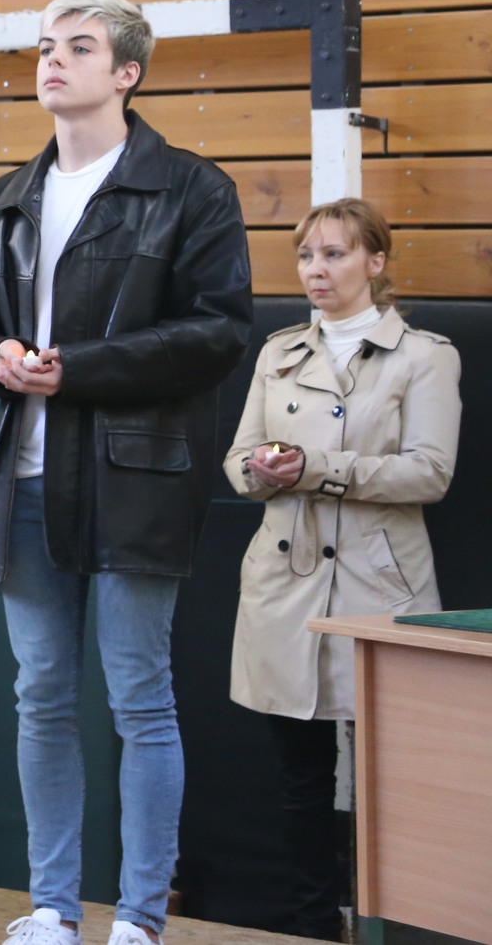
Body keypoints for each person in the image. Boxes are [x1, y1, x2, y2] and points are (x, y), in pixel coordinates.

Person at [0, 0, 254, 945]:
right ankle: (52, 907)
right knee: (41, 697)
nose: (52, 61)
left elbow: (218, 330)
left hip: (136, 480)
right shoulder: (0, 202)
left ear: (127, 73)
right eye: (44, 46)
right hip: (25, 482)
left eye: (78, 46)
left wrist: (82, 368)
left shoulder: (192, 189)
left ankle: (141, 917)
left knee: (141, 698)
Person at [224, 199, 460, 941]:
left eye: (334, 253)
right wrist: (263, 469)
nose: (315, 270)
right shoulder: (278, 351)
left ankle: (389, 922)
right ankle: (313, 924)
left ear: (375, 261)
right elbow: (237, 461)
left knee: (389, 776)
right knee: (299, 776)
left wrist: (316, 468)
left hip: (380, 586)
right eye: (306, 256)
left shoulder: (425, 355)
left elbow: (430, 472)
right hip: (284, 582)